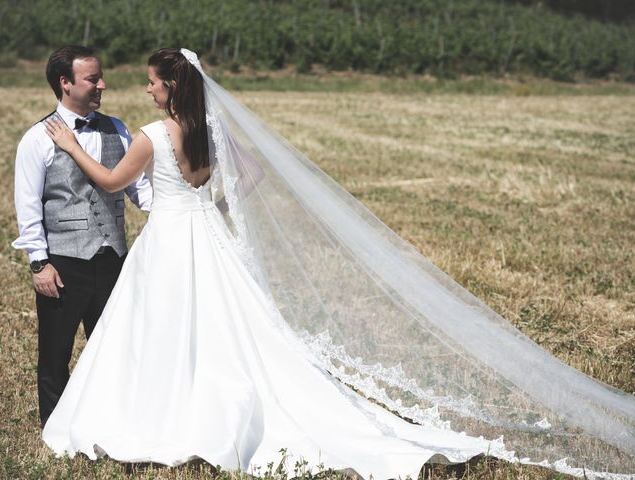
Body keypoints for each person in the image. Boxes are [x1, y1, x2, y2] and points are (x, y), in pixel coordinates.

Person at [41, 48, 634, 478]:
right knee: (225, 325)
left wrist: (70, 147)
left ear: (172, 85)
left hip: (170, 238)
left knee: (166, 328)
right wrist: (209, 205)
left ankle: (163, 410)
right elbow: (251, 174)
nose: (147, 91)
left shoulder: (150, 134)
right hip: (203, 230)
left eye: (152, 82)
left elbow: (113, 182)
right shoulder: (205, 129)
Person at [11, 45, 152, 427]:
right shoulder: (36, 139)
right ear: (65, 83)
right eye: (93, 78)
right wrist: (39, 263)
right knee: (55, 355)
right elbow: (28, 209)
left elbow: (140, 191)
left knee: (116, 350)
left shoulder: (118, 129)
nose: (102, 84)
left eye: (100, 76)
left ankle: (114, 426)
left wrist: (180, 208)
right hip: (63, 264)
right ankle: (54, 431)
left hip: (113, 261)